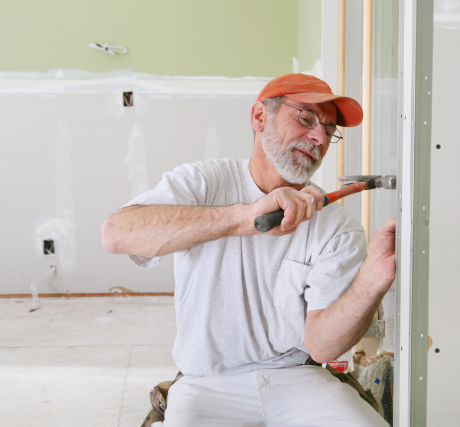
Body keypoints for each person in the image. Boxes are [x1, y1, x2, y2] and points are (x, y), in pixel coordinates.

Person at [101, 73, 396, 426]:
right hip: (205, 383)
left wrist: (372, 280)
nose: (319, 137)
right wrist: (244, 218)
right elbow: (117, 234)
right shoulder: (205, 182)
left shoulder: (337, 226)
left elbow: (321, 347)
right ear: (260, 117)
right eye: (305, 118)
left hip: (301, 379)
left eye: (329, 130)